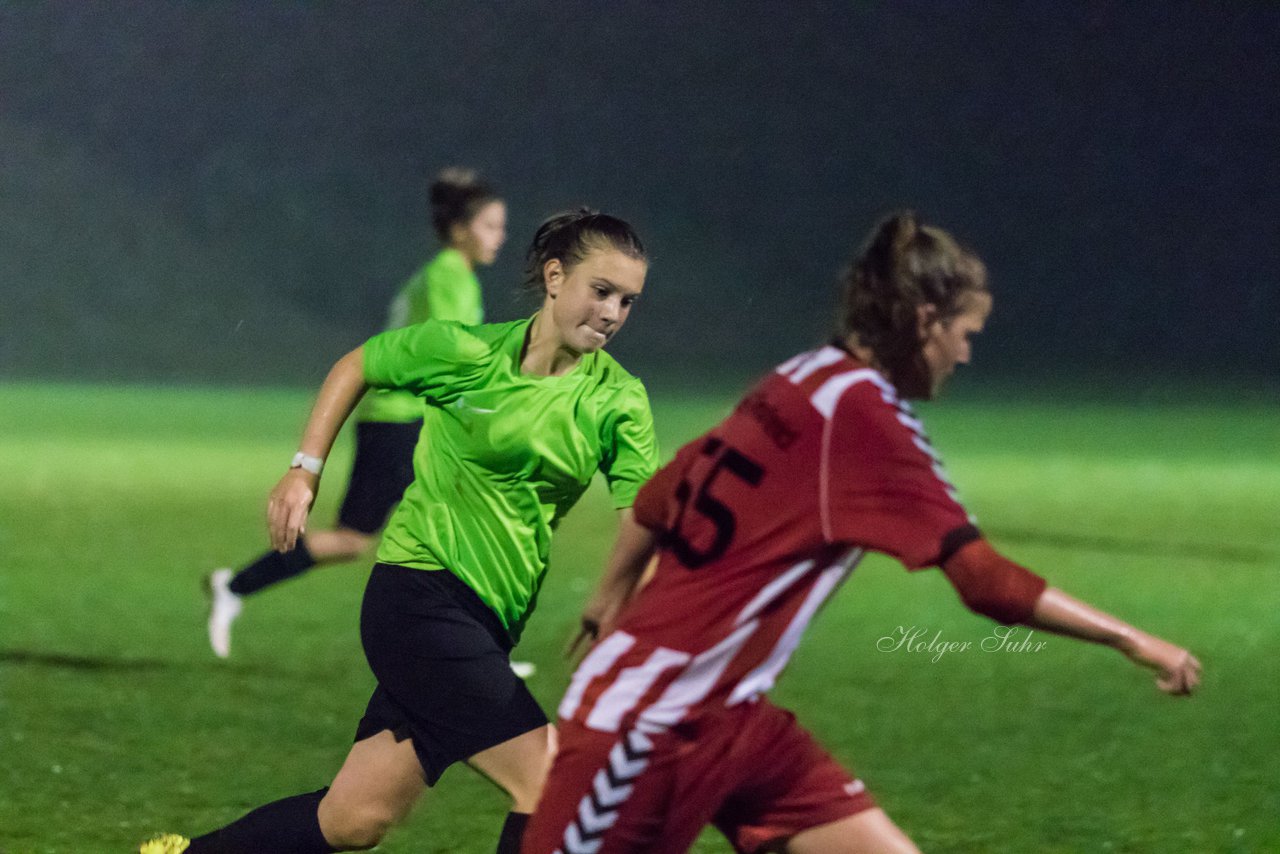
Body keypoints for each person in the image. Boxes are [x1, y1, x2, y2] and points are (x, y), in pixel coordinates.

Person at [523, 212, 1202, 854]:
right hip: (650, 727)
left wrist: (606, 596)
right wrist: (1132, 638)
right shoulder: (868, 419)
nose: (965, 357)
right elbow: (985, 583)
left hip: (735, 720)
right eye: (966, 334)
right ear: (925, 321)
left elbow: (658, 496)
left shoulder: (803, 375)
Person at [143, 210, 657, 854]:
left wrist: (621, 596)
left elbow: (643, 514)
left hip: (491, 621)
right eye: (600, 290)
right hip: (418, 599)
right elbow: (358, 365)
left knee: (354, 819)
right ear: (555, 277)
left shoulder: (619, 400)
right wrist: (304, 471)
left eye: (628, 300)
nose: (612, 312)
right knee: (554, 786)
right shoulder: (466, 352)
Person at [205, 167, 505, 659]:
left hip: (399, 418)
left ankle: (235, 586)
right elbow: (455, 353)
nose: (499, 237)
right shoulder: (452, 274)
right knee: (442, 529)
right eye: (491, 226)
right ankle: (477, 651)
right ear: (459, 230)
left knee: (361, 540)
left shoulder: (442, 275)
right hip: (402, 420)